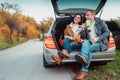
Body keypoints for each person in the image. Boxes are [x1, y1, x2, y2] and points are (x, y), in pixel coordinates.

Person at [74, 10, 110, 80]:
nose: (85, 16)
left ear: (93, 15)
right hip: (89, 41)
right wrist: (83, 29)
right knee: (85, 42)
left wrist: (98, 38)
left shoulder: (100, 22)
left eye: (87, 15)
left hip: (100, 43)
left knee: (89, 49)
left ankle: (84, 69)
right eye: (85, 15)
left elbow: (107, 32)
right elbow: (84, 36)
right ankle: (84, 57)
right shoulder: (87, 23)